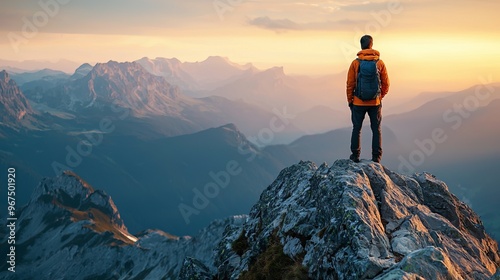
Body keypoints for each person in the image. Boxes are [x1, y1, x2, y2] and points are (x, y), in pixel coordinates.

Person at [346, 35, 390, 163]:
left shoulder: (355, 63)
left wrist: (350, 101)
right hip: (375, 102)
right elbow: (386, 83)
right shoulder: (379, 63)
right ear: (372, 45)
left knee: (356, 129)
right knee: (376, 129)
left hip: (358, 102)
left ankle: (355, 156)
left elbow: (350, 84)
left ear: (361, 46)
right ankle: (376, 158)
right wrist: (379, 96)